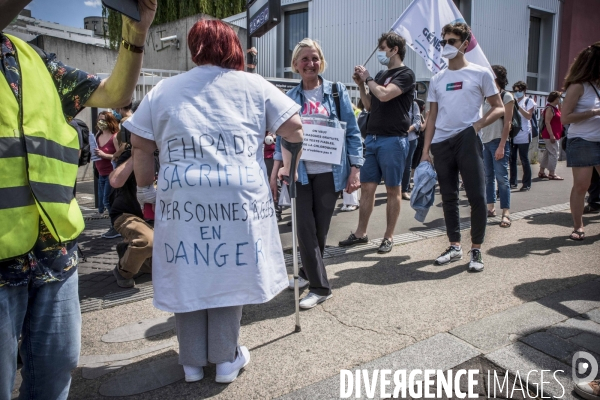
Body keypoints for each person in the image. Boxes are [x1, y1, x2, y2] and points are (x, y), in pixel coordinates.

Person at [124, 19, 303, 384]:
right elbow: (294, 128)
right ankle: (225, 359)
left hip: (181, 198)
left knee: (188, 270)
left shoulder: (163, 90)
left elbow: (140, 145)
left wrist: (145, 192)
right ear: (232, 46)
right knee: (228, 269)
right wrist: (287, 166)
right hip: (238, 196)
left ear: (194, 47)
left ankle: (191, 363)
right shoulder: (254, 85)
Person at [0, 0, 157, 398]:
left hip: (56, 255)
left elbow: (114, 91)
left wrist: (136, 31)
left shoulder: (33, 60)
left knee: (54, 378)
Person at [270, 38, 363, 309]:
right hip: (300, 173)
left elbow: (353, 133)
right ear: (296, 65)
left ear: (321, 62)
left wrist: (355, 169)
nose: (310, 63)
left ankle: (306, 274)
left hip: (330, 174)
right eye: (305, 59)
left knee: (319, 231)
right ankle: (321, 287)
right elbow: (281, 138)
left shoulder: (336, 92)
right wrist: (277, 169)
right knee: (304, 229)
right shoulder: (289, 98)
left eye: (315, 58)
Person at [420, 22, 504, 272]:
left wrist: (477, 126)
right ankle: (454, 246)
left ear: (465, 45)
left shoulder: (481, 73)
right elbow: (432, 117)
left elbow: (498, 106)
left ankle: (476, 249)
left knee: (477, 195)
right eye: (444, 41)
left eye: (452, 41)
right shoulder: (437, 79)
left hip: (467, 139)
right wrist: (426, 150)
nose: (446, 45)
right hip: (441, 143)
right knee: (448, 197)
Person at [339, 32, 416, 253]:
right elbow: (370, 106)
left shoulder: (406, 74)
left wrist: (368, 78)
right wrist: (362, 86)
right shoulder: (381, 74)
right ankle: (360, 233)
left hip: (393, 139)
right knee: (367, 188)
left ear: (394, 49)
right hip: (372, 139)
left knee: (393, 189)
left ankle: (388, 236)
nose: (380, 52)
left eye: (383, 48)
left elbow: (384, 95)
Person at [110, 102, 154, 289]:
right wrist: (137, 153)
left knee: (169, 260)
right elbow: (115, 181)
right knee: (148, 241)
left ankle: (130, 253)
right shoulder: (129, 152)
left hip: (159, 215)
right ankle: (123, 270)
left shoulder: (166, 152)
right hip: (128, 214)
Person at [560, 42, 600, 241]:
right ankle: (578, 225)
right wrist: (595, 112)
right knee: (581, 186)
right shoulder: (578, 86)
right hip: (583, 140)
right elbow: (565, 118)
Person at [481, 65, 513, 228]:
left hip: (498, 141)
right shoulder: (487, 96)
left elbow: (507, 123)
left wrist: (502, 145)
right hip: (485, 141)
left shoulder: (506, 97)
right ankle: (490, 208)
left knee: (502, 177)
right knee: (488, 177)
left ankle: (506, 213)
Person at [509, 80, 536, 191]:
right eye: (515, 90)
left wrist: (518, 106)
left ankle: (526, 184)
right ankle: (513, 182)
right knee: (512, 159)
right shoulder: (512, 101)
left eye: (519, 90)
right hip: (513, 134)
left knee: (524, 159)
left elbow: (528, 116)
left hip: (524, 133)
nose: (517, 92)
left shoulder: (528, 101)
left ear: (524, 90)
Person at [95, 112, 120, 222]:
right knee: (104, 201)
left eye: (104, 120)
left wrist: (104, 155)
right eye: (99, 120)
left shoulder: (114, 137)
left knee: (107, 201)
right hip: (101, 174)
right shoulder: (98, 136)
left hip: (111, 174)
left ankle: (115, 225)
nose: (101, 122)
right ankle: (114, 224)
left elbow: (119, 156)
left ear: (110, 122)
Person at [538, 91, 564, 180]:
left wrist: (560, 106)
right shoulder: (549, 108)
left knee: (547, 153)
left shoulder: (555, 108)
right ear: (555, 98)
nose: (560, 99)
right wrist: (551, 135)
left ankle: (541, 171)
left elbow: (561, 115)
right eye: (559, 98)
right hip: (551, 135)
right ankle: (552, 173)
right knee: (554, 153)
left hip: (555, 134)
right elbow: (547, 122)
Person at [401, 100, 421, 200]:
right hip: (395, 138)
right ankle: (393, 190)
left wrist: (407, 129)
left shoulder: (413, 104)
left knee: (407, 165)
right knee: (395, 165)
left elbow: (418, 121)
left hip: (411, 139)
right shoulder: (394, 101)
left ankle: (404, 190)